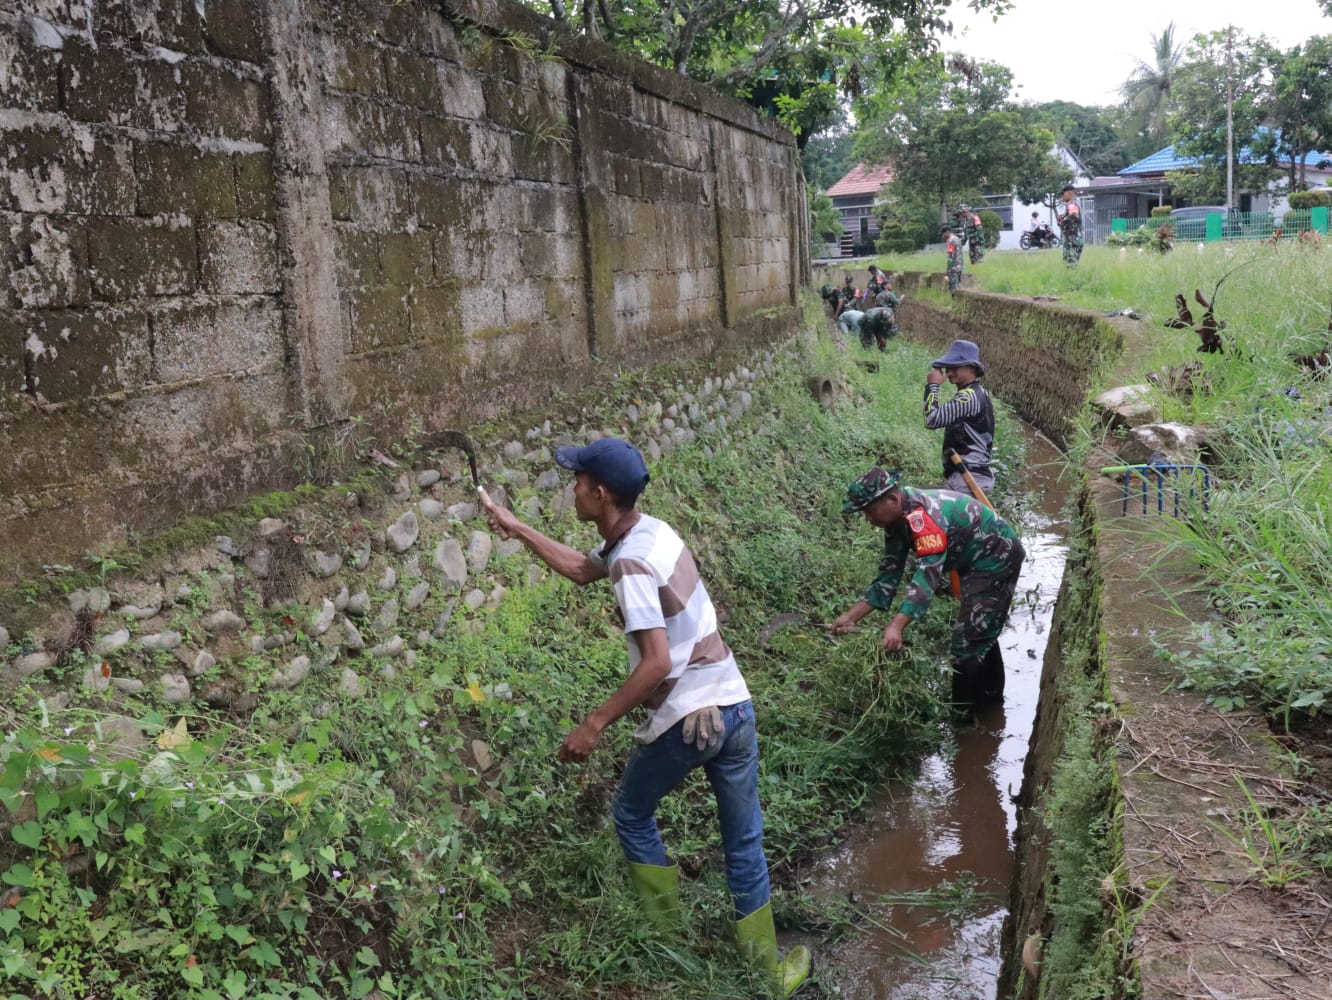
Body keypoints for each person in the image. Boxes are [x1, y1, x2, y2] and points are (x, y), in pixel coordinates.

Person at [480, 438, 810, 996]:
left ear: (600, 492)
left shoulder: (631, 561)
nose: (574, 488)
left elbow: (656, 662)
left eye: (578, 481)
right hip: (734, 704)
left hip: (688, 716)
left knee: (632, 814)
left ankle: (666, 942)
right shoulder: (649, 531)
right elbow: (583, 569)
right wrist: (517, 527)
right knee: (743, 840)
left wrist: (595, 722)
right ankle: (768, 972)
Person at [828, 467, 1025, 710]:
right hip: (972, 562)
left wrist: (896, 626)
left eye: (869, 510)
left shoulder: (923, 517)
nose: (868, 519)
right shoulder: (896, 521)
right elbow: (888, 575)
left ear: (892, 499)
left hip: (996, 557)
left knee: (965, 647)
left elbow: (927, 576)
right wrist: (850, 617)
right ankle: (990, 702)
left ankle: (967, 718)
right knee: (978, 631)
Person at [924, 339, 995, 494]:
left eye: (955, 366)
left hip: (968, 478)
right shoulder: (979, 392)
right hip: (973, 476)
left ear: (971, 368)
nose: (949, 371)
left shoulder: (968, 397)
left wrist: (933, 386)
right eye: (949, 366)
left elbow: (932, 420)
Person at [862, 285, 903, 351]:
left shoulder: (878, 295)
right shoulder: (890, 294)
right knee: (885, 332)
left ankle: (875, 346)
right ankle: (882, 348)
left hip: (877, 314)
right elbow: (897, 302)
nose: (890, 285)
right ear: (885, 286)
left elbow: (876, 304)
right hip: (887, 314)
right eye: (888, 284)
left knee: (877, 331)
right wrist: (901, 298)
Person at [1056, 184, 1083, 267]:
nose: (1062, 197)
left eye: (1063, 194)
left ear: (1070, 194)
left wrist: (1062, 222)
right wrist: (1063, 217)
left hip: (1072, 239)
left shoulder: (1072, 204)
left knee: (1070, 265)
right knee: (1071, 263)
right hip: (1074, 238)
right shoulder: (1074, 203)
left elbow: (1073, 216)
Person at [942, 226, 963, 294]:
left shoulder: (951, 241)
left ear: (947, 232)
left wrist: (948, 270)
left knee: (953, 287)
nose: (943, 235)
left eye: (944, 233)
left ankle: (954, 303)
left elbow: (951, 256)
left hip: (954, 267)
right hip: (959, 265)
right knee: (958, 285)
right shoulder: (957, 239)